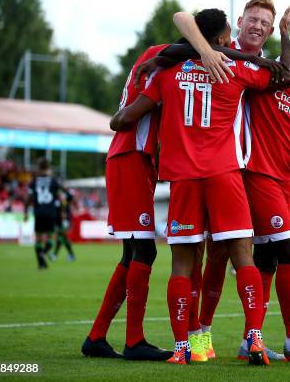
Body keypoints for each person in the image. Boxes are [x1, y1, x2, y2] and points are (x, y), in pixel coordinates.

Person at [111, 8, 290, 366]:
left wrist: (129, 111)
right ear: (225, 38)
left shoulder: (166, 74)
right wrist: (285, 33)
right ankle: (255, 338)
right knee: (243, 257)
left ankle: (182, 348)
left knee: (182, 265)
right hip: (225, 175)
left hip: (183, 181)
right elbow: (287, 76)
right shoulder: (236, 70)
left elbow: (123, 120)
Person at [169, 0, 290, 362]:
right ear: (239, 22)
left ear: (272, 32)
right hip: (212, 170)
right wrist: (207, 52)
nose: (257, 26)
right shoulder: (221, 48)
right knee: (202, 257)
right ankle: (203, 338)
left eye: (265, 23)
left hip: (237, 170)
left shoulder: (261, 67)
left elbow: (282, 104)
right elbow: (181, 20)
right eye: (252, 19)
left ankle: (228, 339)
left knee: (230, 254)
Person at [81, 41, 173, 361]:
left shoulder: (155, 61)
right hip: (130, 154)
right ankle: (134, 340)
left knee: (132, 252)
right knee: (144, 249)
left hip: (135, 156)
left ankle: (97, 336)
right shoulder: (159, 55)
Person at [24, 158, 61, 270]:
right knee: (51, 238)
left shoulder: (34, 182)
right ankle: (44, 253)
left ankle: (41, 264)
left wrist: (25, 213)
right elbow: (61, 197)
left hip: (38, 213)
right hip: (50, 213)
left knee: (38, 239)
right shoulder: (54, 181)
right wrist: (62, 212)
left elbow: (28, 199)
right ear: (48, 167)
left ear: (38, 168)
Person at [49, 186, 75, 261]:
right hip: (59, 221)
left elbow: (70, 198)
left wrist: (65, 219)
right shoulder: (56, 199)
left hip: (64, 221)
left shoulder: (65, 199)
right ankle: (71, 255)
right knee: (63, 238)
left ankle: (55, 254)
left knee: (61, 237)